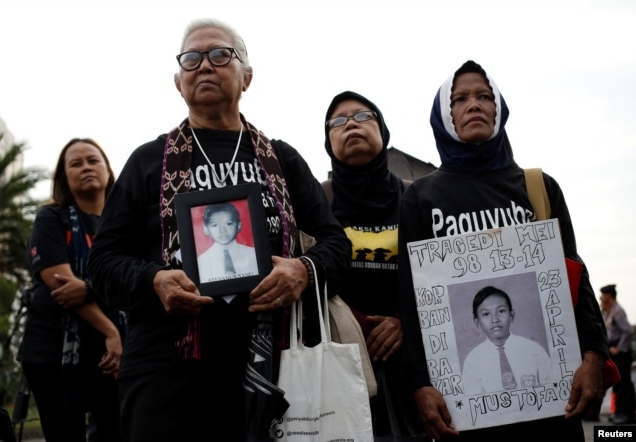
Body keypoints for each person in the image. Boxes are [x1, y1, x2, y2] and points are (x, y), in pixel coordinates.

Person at [87, 18, 351, 442]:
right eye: (191, 58)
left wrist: (303, 270)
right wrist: (153, 280)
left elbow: (338, 244)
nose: (204, 66)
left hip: (272, 365)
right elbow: (101, 262)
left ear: (247, 76)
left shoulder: (282, 160)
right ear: (178, 82)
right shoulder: (148, 161)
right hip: (167, 370)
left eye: (219, 55)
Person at [397, 60, 608, 441]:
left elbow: (575, 274)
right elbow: (411, 300)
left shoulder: (539, 188)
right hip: (464, 413)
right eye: (459, 99)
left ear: (499, 110)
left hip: (550, 408)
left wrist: (594, 354)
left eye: (483, 96)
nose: (473, 105)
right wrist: (418, 383)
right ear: (445, 116)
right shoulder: (420, 199)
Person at [323, 91, 426, 441]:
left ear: (383, 131)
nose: (350, 123)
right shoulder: (317, 203)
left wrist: (403, 321)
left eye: (363, 116)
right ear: (329, 143)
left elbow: (440, 281)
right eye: (338, 121)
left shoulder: (416, 200)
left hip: (413, 368)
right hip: (340, 368)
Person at [16, 138, 124, 442]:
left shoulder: (123, 224)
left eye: (93, 160)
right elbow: (63, 287)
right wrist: (111, 332)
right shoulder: (51, 218)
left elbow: (133, 279)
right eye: (75, 163)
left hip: (113, 354)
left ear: (107, 169)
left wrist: (89, 287)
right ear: (64, 177)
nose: (86, 167)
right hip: (52, 352)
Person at [461, 286, 551, 395]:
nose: (495, 320)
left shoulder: (535, 351)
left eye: (501, 311)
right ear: (477, 322)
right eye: (486, 314)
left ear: (512, 315)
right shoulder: (472, 361)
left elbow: (550, 390)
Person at [599, 284, 636, 424]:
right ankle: (620, 413)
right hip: (614, 351)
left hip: (621, 353)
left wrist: (619, 348)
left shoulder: (617, 311)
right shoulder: (609, 311)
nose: (601, 298)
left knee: (624, 384)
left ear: (609, 296)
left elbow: (628, 331)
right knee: (618, 385)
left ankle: (628, 414)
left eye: (603, 295)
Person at [197, 202, 258, 282]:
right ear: (206, 229)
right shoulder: (200, 262)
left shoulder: (254, 254)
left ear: (239, 225)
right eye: (215, 225)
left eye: (229, 224)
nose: (222, 231)